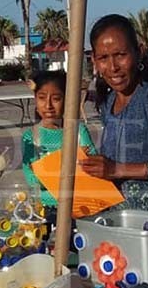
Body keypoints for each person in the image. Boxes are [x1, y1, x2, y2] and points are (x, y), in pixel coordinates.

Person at [79, 14, 148, 213]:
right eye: (103, 58)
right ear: (94, 60)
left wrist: (116, 169)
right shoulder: (110, 102)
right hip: (118, 219)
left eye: (120, 55)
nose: (113, 67)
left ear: (138, 52)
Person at [22, 70, 98, 226]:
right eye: (42, 98)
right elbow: (32, 180)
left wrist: (47, 171)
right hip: (44, 209)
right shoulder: (31, 137)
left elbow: (92, 168)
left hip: (77, 207)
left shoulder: (78, 130)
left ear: (67, 99)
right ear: (35, 100)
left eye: (56, 98)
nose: (48, 105)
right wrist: (74, 163)